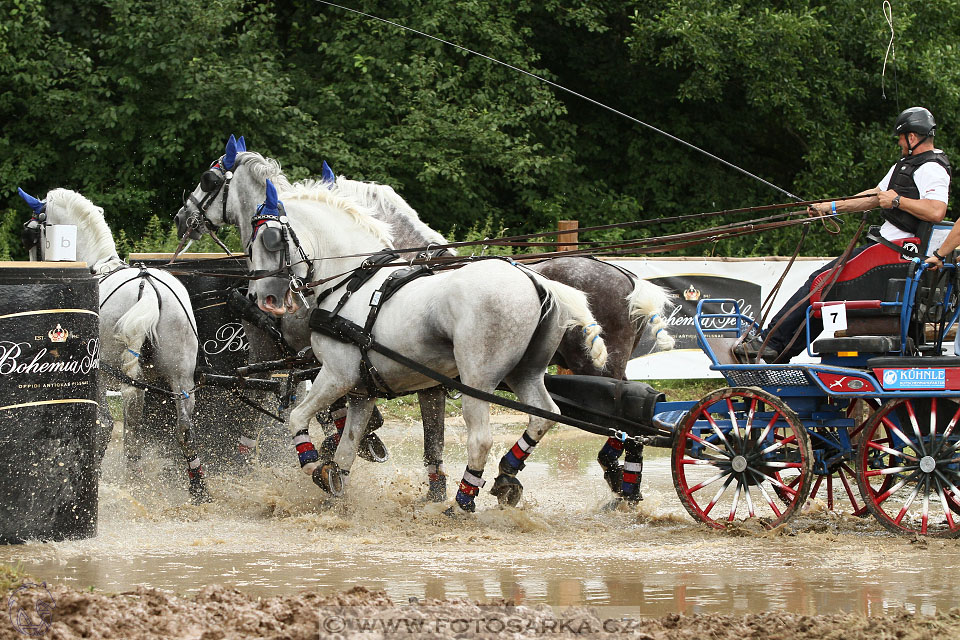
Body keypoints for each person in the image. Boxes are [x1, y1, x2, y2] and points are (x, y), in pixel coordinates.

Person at [752, 106, 951, 363]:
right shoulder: (906, 165)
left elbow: (936, 210)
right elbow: (874, 197)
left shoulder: (931, 168)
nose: (899, 143)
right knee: (824, 291)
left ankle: (772, 344)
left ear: (912, 137)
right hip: (887, 253)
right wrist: (830, 207)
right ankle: (778, 350)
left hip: (893, 256)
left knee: (820, 283)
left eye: (901, 138)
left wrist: (898, 201)